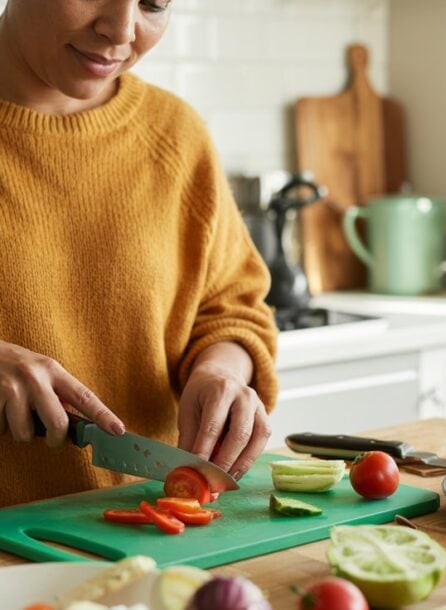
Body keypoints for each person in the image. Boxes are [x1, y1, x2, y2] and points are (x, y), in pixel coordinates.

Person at [0, 0, 278, 507]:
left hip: (148, 536)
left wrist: (221, 371)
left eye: (153, 3)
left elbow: (231, 310)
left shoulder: (175, 133)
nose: (121, 30)